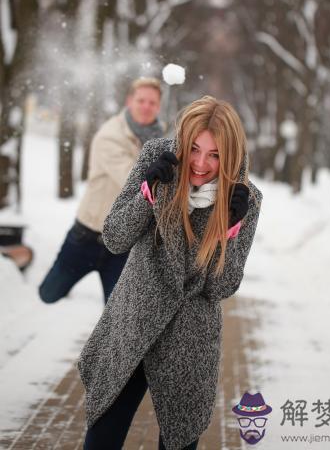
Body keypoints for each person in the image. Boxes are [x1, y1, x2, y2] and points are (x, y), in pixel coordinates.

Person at [77, 95, 263, 450]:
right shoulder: (157, 159)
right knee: (103, 435)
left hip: (189, 338)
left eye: (215, 155)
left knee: (178, 441)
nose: (200, 164)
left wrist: (229, 232)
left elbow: (222, 286)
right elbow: (115, 238)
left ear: (230, 155)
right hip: (134, 320)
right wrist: (147, 194)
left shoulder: (245, 198)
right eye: (194, 149)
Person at [38, 78, 163, 304]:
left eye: (152, 102)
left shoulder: (158, 139)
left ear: (159, 106)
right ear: (129, 101)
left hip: (122, 243)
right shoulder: (111, 135)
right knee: (49, 294)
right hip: (87, 236)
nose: (146, 106)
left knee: (117, 316)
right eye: (141, 100)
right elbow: (133, 180)